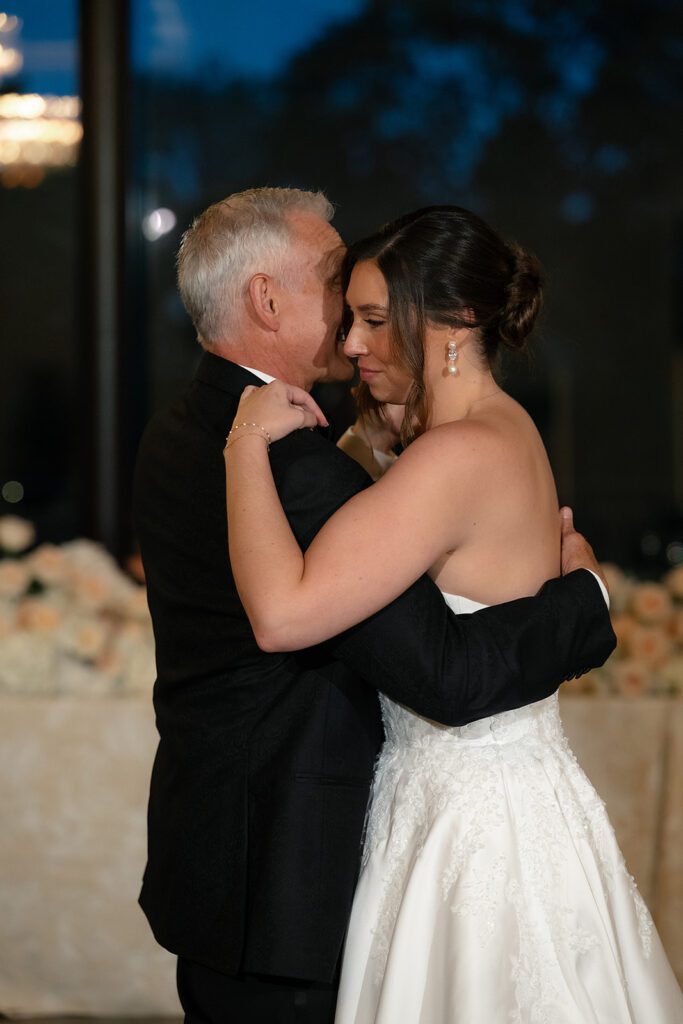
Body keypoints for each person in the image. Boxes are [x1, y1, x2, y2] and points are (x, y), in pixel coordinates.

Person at [133, 188, 616, 1024]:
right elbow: (447, 674)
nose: (356, 335)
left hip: (223, 859)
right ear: (266, 299)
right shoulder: (294, 462)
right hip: (289, 879)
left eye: (375, 313)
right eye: (339, 298)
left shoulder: (178, 425)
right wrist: (588, 600)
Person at [224, 205, 683, 1022]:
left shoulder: (456, 455)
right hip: (489, 795)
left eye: (370, 320)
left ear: (455, 322)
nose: (352, 344)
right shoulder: (497, 430)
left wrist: (244, 450)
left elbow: (282, 615)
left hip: (472, 827)